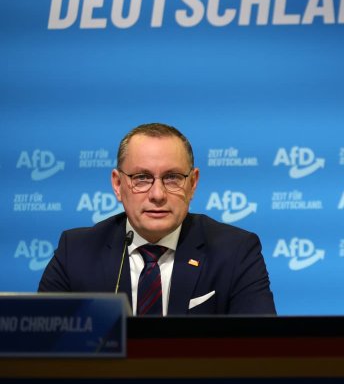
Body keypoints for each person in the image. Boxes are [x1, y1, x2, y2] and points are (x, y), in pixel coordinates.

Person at [39, 123, 276, 315]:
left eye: (172, 178)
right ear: (118, 184)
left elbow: (260, 351)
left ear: (192, 184)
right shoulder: (77, 251)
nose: (157, 195)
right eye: (141, 178)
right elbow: (41, 346)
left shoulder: (235, 251)